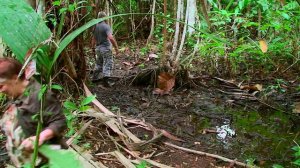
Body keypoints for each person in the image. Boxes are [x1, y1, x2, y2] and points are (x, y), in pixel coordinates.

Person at [0, 58, 67, 167]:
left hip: (44, 160)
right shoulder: (15, 92)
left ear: (14, 78)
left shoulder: (39, 95)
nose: (0, 91)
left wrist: (40, 137)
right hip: (25, 160)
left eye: (1, 86)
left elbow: (59, 121)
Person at [92, 11, 119, 86]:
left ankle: (94, 78)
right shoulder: (106, 26)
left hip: (98, 48)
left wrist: (92, 47)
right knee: (108, 62)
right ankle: (106, 81)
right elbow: (110, 37)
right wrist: (116, 48)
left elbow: (93, 39)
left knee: (99, 63)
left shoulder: (95, 27)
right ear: (105, 17)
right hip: (105, 48)